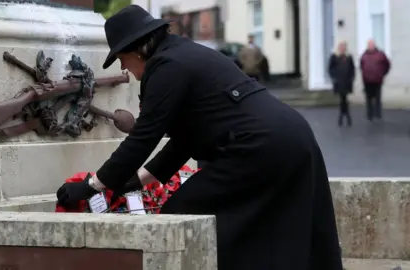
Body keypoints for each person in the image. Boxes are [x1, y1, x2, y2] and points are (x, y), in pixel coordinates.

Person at [56, 5, 343, 270]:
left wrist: (93, 185)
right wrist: (135, 181)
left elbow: (143, 137)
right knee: (274, 223)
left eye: (121, 58)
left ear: (138, 49)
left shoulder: (166, 68)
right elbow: (186, 140)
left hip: (259, 145)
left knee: (182, 216)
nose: (122, 68)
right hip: (290, 135)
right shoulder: (183, 54)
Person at [360, 39, 391, 121]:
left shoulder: (381, 54)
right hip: (367, 81)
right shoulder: (364, 55)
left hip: (377, 80)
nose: (371, 46)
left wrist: (382, 73)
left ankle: (378, 114)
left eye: (372, 44)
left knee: (377, 98)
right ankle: (369, 115)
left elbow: (387, 65)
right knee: (368, 98)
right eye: (369, 44)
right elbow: (361, 66)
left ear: (374, 45)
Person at [328, 41, 355, 127]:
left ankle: (345, 116)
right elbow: (330, 69)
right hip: (338, 82)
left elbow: (352, 69)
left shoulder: (349, 57)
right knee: (342, 99)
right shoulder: (334, 57)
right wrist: (334, 77)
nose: (342, 48)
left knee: (345, 99)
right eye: (341, 46)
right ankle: (344, 116)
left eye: (343, 46)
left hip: (346, 82)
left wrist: (351, 78)